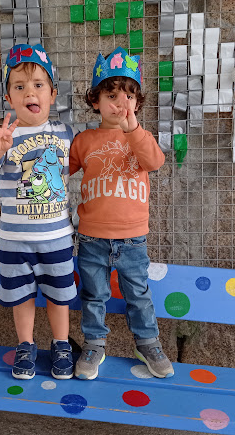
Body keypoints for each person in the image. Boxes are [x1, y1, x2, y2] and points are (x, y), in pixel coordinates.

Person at [0, 44, 76, 380]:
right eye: (19, 86)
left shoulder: (66, 133)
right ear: (9, 98)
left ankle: (61, 344)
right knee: (22, 298)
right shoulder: (4, 136)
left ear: (52, 94)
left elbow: (84, 167)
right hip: (15, 241)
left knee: (59, 297)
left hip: (57, 238)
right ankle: (26, 345)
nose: (29, 92)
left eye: (38, 85)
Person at [69, 46, 174, 380]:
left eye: (129, 96)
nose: (120, 103)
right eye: (111, 95)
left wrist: (134, 130)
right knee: (93, 295)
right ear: (96, 101)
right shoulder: (83, 140)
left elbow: (154, 162)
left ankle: (147, 343)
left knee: (138, 295)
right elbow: (59, 172)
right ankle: (94, 343)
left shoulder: (141, 137)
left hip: (132, 238)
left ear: (138, 103)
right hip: (91, 236)